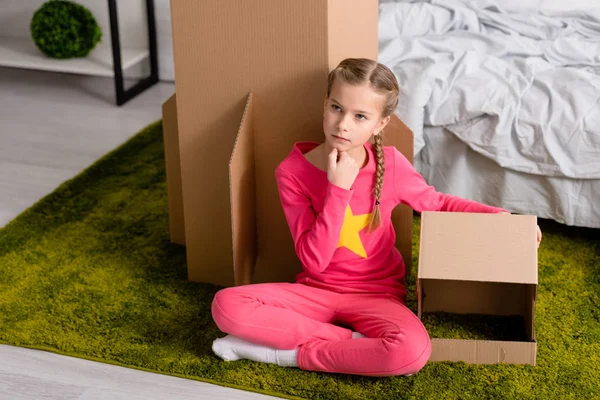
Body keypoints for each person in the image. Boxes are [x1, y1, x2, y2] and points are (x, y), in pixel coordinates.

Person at [211, 58, 543, 377]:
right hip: (315, 292)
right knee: (226, 305)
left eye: (360, 116)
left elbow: (436, 203)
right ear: (325, 103)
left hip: (377, 296)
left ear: (380, 123)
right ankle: (350, 344)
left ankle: (286, 354)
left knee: (412, 351)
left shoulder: (392, 164)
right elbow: (313, 261)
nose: (343, 124)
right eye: (336, 108)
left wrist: (501, 217)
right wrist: (338, 190)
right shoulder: (292, 171)